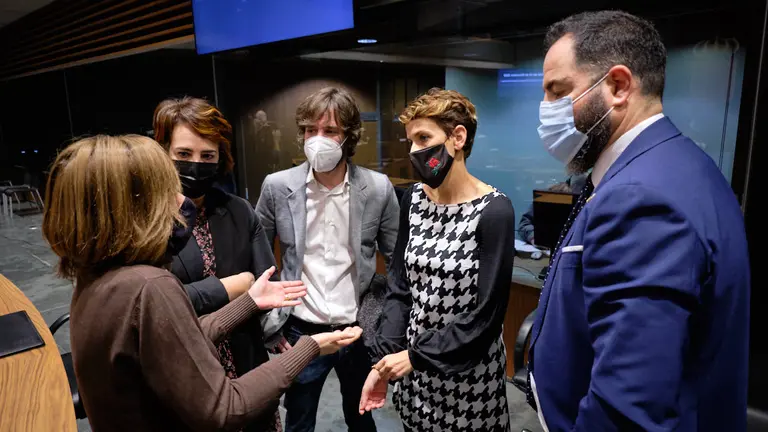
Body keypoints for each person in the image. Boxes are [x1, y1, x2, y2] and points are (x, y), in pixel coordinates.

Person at [41, 134, 364, 431]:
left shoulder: (96, 275)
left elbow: (178, 343)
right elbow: (225, 408)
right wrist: (310, 347)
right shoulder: (149, 285)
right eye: (165, 190)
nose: (180, 200)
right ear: (130, 208)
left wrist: (249, 303)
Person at [528, 10, 750, 431]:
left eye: (559, 92)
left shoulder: (640, 198)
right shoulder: (674, 164)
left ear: (617, 85)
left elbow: (628, 408)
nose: (547, 111)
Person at [359, 88, 517, 432]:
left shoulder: (493, 210)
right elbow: (400, 288)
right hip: (414, 372)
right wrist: (383, 361)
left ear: (457, 137)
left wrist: (416, 357)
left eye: (424, 138)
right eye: (411, 141)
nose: (415, 151)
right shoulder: (413, 200)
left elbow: (486, 315)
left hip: (467, 373)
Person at [255, 87, 399, 432]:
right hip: (301, 329)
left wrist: (386, 329)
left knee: (361, 416)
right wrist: (269, 327)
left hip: (357, 328)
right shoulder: (277, 186)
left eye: (330, 130)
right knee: (299, 420)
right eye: (310, 130)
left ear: (348, 135)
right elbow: (257, 260)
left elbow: (397, 264)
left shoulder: (378, 188)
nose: (317, 139)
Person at [153, 96, 285, 431]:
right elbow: (152, 305)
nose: (196, 164)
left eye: (207, 156)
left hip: (246, 361)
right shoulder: (145, 223)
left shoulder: (239, 210)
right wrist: (230, 286)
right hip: (185, 372)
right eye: (184, 154)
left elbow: (263, 282)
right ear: (162, 153)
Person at [518, 173, 587, 245]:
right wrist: (534, 237)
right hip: (547, 250)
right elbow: (524, 224)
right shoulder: (550, 197)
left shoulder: (594, 200)